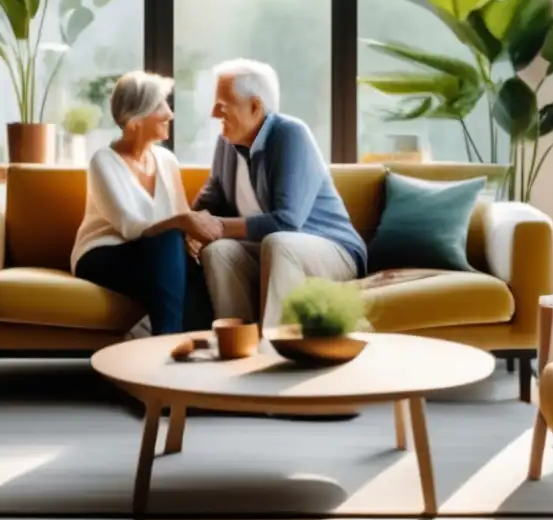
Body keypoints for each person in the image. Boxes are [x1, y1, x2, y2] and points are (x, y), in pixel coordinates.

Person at [192, 59, 367, 329]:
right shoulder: (226, 144)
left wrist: (214, 226)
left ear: (255, 106)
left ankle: (272, 349)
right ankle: (237, 343)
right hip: (273, 249)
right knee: (219, 251)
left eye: (222, 105)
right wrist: (190, 227)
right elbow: (208, 202)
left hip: (332, 250)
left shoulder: (289, 134)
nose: (214, 114)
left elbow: (287, 222)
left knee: (279, 241)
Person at [71, 71, 220, 335]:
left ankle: (199, 347)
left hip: (157, 252)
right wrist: (183, 222)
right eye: (161, 105)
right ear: (134, 119)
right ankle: (164, 341)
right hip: (104, 255)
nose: (170, 114)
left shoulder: (166, 160)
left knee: (195, 267)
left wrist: (199, 238)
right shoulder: (103, 161)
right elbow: (129, 226)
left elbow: (180, 216)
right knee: (168, 242)